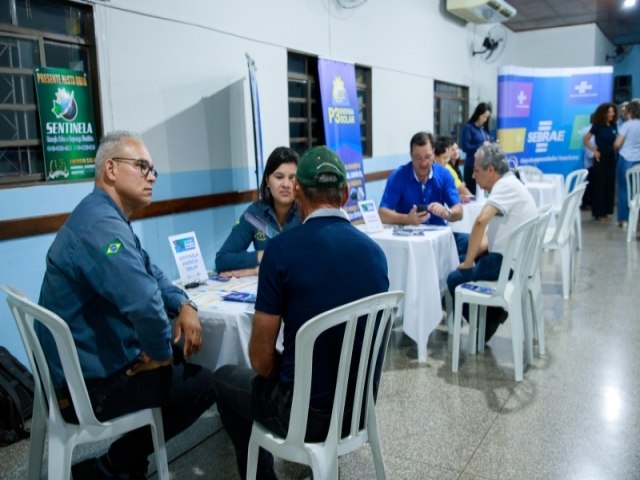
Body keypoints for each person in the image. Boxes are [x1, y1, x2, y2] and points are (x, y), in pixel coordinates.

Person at [38, 131, 216, 479]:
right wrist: (161, 353)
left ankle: (120, 463)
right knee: (207, 382)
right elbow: (145, 302)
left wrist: (184, 303)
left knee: (177, 340)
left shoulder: (102, 216)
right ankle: (116, 465)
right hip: (88, 388)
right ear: (111, 169)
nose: (151, 176)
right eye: (142, 166)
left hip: (85, 368)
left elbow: (151, 272)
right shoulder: (101, 226)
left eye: (153, 170)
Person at [212, 146, 389, 479]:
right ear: (347, 194)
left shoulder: (281, 251)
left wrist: (295, 373)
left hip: (301, 414)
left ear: (297, 191)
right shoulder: (375, 253)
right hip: (358, 409)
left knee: (222, 379)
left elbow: (261, 360)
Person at [447, 143, 537, 343]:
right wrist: (472, 253)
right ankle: (491, 314)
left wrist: (469, 261)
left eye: (476, 171)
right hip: (514, 259)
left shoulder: (504, 187)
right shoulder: (511, 182)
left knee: (454, 278)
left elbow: (480, 221)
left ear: (490, 170)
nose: (473, 176)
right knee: (461, 246)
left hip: (507, 264)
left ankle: (486, 324)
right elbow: (493, 232)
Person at [215, 147, 301, 277]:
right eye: (279, 177)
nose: (286, 184)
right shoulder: (255, 214)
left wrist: (257, 270)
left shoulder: (307, 212)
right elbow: (222, 259)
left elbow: (316, 258)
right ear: (267, 180)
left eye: (292, 178)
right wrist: (264, 255)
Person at [378, 131, 463, 227]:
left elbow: (459, 212)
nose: (423, 163)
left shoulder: (444, 174)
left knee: (469, 240)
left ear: (434, 153)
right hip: (409, 237)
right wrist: (407, 219)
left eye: (427, 157)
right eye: (418, 158)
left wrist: (448, 212)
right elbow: (382, 214)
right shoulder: (398, 176)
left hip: (439, 236)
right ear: (411, 155)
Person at [583, 102, 618, 223]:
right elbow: (586, 139)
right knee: (600, 184)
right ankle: (599, 212)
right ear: (603, 113)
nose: (612, 114)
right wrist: (594, 150)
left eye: (613, 111)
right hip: (600, 155)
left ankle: (607, 210)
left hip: (611, 156)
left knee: (609, 183)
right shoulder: (597, 126)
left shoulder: (614, 126)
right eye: (609, 112)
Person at [614, 99, 640, 228]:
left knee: (624, 190)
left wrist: (615, 147)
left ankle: (624, 219)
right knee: (637, 191)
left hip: (626, 159)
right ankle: (637, 218)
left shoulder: (626, 125)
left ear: (629, 111)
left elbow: (618, 144)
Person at [461, 102, 492, 195]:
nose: (485, 120)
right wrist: (481, 145)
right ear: (478, 114)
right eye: (484, 117)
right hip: (472, 166)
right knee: (472, 193)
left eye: (487, 117)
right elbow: (465, 147)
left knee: (483, 193)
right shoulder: (469, 128)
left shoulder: (483, 129)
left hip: (484, 166)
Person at [435, 135, 472, 203]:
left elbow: (460, 187)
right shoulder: (428, 171)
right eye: (444, 158)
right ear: (435, 156)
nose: (447, 161)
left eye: (448, 157)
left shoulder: (448, 169)